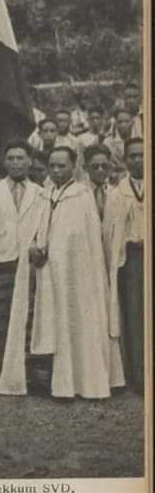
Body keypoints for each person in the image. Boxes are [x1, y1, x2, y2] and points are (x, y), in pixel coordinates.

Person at [26, 146, 123, 399]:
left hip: (78, 277)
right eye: (53, 166)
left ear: (74, 167)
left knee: (79, 323)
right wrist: (37, 248)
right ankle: (62, 383)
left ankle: (86, 382)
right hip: (52, 273)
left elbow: (85, 239)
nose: (56, 171)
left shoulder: (81, 196)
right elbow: (40, 231)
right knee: (57, 325)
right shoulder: (47, 195)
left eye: (62, 166)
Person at [0, 140, 50, 393]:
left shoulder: (40, 192)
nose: (16, 163)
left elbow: (43, 227)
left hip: (29, 263)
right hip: (3, 262)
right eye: (11, 158)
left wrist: (37, 247)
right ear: (4, 161)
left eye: (21, 158)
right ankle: (2, 371)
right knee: (3, 316)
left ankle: (29, 372)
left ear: (30, 161)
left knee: (29, 316)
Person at [103, 137, 145, 393]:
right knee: (133, 314)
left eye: (142, 155)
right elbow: (110, 231)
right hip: (130, 259)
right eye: (133, 156)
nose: (138, 160)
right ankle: (138, 373)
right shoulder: (118, 192)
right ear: (126, 159)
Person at [82, 144, 113, 221]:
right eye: (95, 167)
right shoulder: (79, 192)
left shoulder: (113, 191)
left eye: (104, 166)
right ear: (85, 168)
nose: (100, 170)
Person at [105, 108, 136, 176]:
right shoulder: (108, 143)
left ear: (132, 122)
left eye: (127, 121)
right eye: (120, 122)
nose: (123, 125)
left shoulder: (139, 140)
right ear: (115, 123)